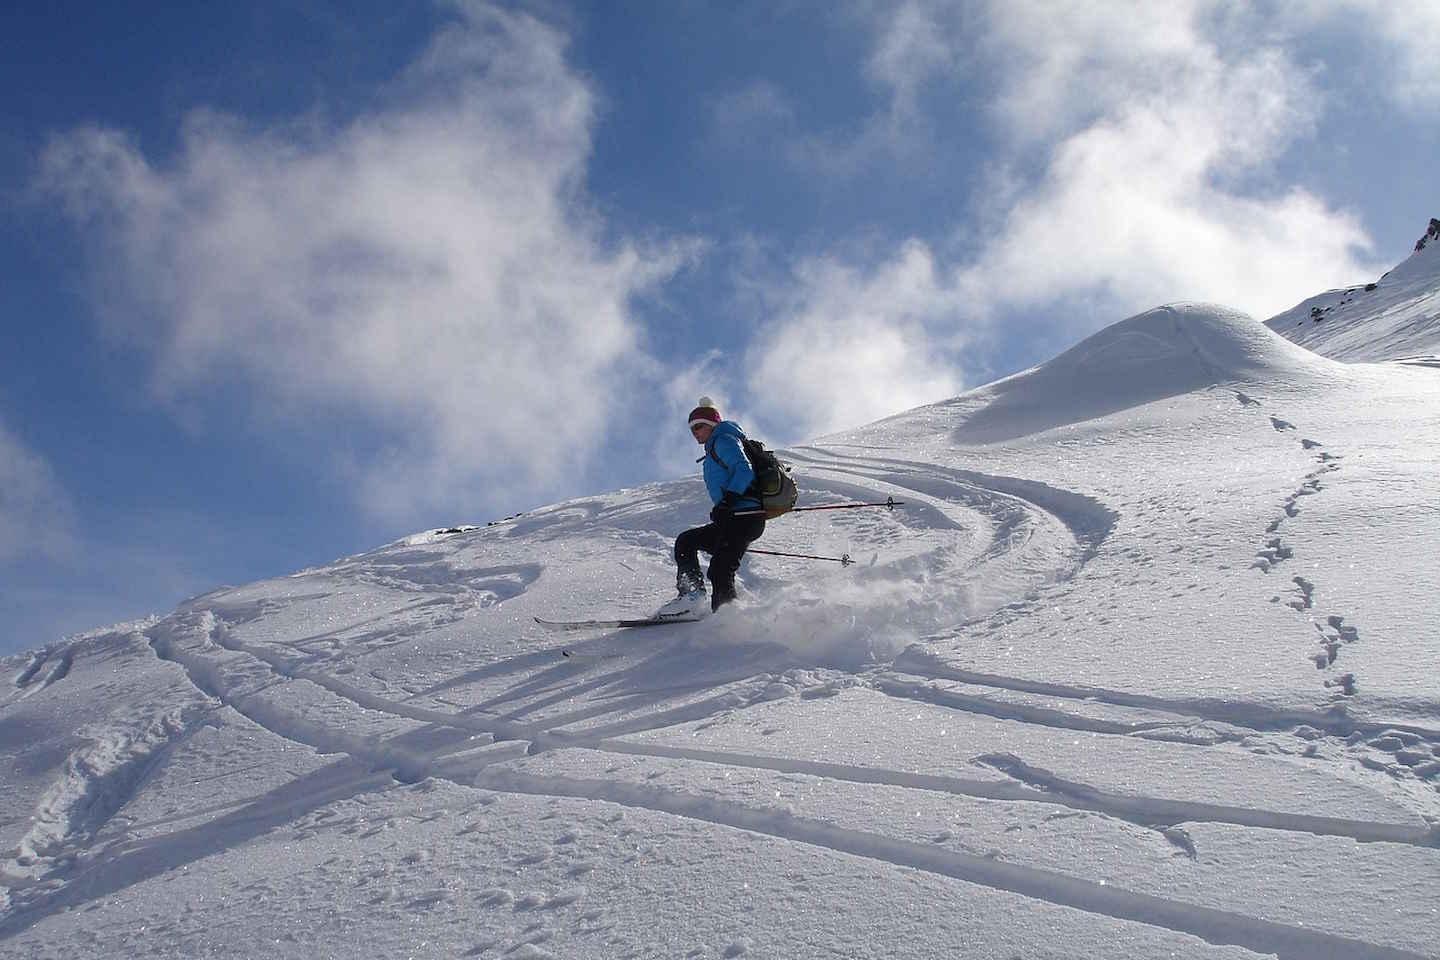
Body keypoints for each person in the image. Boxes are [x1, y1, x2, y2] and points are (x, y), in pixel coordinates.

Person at [660, 397, 767, 616]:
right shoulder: (714, 448)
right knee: (687, 542)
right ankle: (692, 598)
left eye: (699, 426)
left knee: (720, 569)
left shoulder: (724, 440)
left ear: (712, 425)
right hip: (734, 517)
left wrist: (728, 500)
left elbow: (744, 470)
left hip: (744, 516)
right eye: (691, 429)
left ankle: (728, 620)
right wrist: (725, 507)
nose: (695, 432)